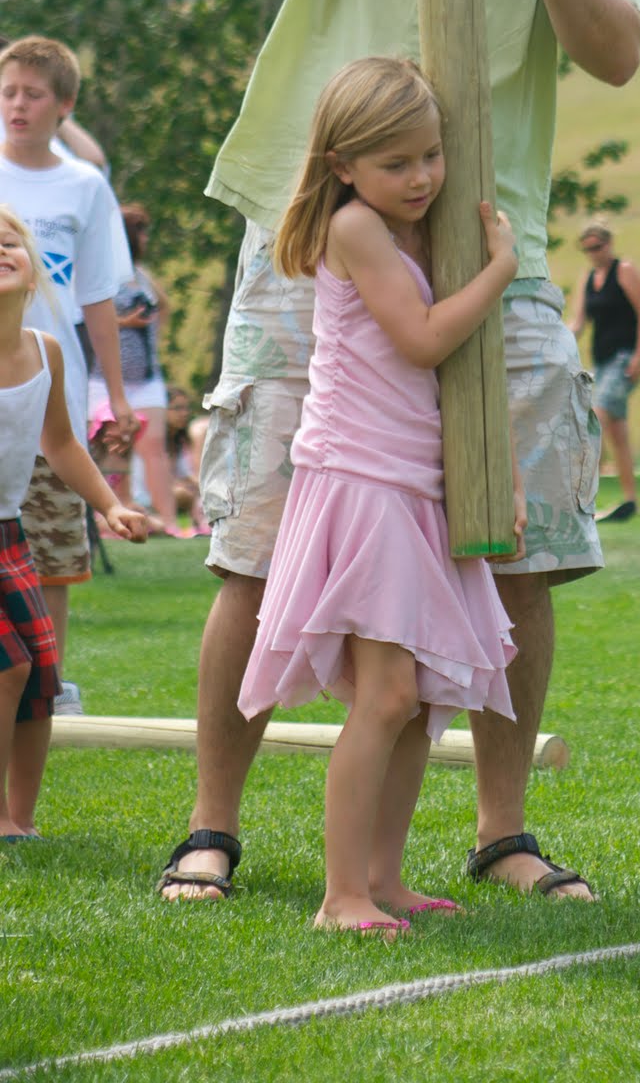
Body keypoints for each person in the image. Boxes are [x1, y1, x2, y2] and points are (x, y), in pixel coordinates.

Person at [158, 0, 640, 902]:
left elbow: (616, 56)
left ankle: (500, 832)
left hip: (495, 250)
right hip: (312, 239)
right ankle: (212, 822)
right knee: (260, 535)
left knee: (520, 538)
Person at [197, 59, 521, 932]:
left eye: (430, 156)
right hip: (362, 481)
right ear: (342, 165)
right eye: (395, 164)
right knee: (384, 697)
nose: (419, 178)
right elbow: (419, 341)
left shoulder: (417, 227)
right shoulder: (353, 229)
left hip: (417, 483)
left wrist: (495, 483)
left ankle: (383, 878)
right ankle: (340, 896)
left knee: (417, 701)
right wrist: (500, 273)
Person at [0, 207, 145, 837]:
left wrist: (110, 504)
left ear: (34, 274)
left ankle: (20, 821)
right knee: (10, 667)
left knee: (40, 680)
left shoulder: (47, 352)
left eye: (9, 243)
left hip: (10, 536)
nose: (0, 251)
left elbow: (60, 444)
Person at [0, 38, 138, 700]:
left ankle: (48, 687)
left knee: (50, 546)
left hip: (50, 389)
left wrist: (116, 399)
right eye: (8, 92)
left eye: (32, 93)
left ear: (65, 106)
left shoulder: (84, 187)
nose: (17, 105)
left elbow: (98, 296)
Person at [89, 203, 183, 536]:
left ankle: (170, 522)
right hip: (102, 377)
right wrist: (122, 322)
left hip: (146, 377)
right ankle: (108, 517)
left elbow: (164, 303)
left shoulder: (142, 275)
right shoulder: (102, 271)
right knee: (109, 447)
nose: (146, 238)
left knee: (153, 446)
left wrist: (155, 328)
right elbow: (85, 316)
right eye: (141, 232)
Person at [568, 220, 640, 523]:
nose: (594, 254)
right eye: (587, 249)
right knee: (618, 432)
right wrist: (557, 342)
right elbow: (579, 322)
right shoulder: (589, 279)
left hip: (623, 357)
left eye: (598, 247)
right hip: (601, 361)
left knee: (597, 416)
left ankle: (585, 495)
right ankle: (630, 500)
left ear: (609, 244)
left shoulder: (624, 271)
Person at [165, 388, 210, 534]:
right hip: (151, 494)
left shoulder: (179, 441)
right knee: (184, 493)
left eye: (186, 408)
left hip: (176, 490)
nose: (184, 413)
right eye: (177, 408)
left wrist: (203, 486)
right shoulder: (153, 442)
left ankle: (204, 524)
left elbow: (186, 475)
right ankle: (199, 524)